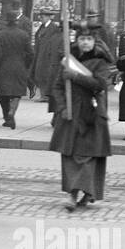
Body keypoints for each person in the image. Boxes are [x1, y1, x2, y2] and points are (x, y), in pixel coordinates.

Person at [47, 19, 114, 211]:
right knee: (70, 155)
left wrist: (76, 77)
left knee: (86, 155)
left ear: (95, 42)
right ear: (77, 40)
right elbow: (58, 87)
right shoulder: (68, 61)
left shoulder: (101, 61)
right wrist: (62, 108)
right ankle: (74, 192)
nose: (85, 43)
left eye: (89, 39)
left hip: (91, 114)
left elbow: (100, 84)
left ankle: (80, 193)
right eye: (82, 39)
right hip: (70, 114)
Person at [0, 3, 33, 129]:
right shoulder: (23, 35)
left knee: (2, 92)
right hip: (19, 66)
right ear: (16, 21)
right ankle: (11, 112)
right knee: (16, 93)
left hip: (3, 67)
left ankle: (6, 115)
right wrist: (26, 65)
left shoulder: (1, 34)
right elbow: (31, 53)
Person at [30, 9, 63, 109]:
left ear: (49, 17)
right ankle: (43, 94)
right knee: (38, 73)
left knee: (44, 74)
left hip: (47, 55)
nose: (41, 18)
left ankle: (45, 95)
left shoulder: (53, 27)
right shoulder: (42, 27)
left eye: (43, 16)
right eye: (41, 16)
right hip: (40, 53)